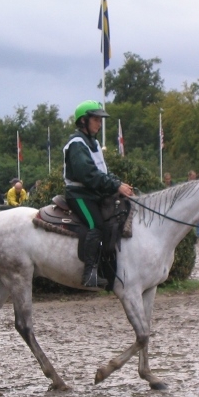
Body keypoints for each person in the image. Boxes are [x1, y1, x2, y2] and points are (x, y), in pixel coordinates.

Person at [63, 100, 134, 288]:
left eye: (100, 120)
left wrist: (120, 184)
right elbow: (88, 174)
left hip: (94, 194)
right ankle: (89, 273)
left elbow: (103, 172)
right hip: (79, 195)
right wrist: (115, 186)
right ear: (83, 121)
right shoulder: (77, 144)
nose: (99, 124)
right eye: (96, 119)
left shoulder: (93, 143)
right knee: (97, 225)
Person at [188, 171, 199, 238]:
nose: (194, 177)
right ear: (189, 176)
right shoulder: (187, 184)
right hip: (192, 205)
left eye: (195, 175)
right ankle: (198, 234)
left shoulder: (197, 184)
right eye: (193, 175)